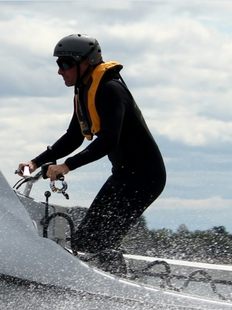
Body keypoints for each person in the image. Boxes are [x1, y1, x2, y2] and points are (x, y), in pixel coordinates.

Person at [18, 33, 166, 255]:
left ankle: (113, 287)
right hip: (123, 176)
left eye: (65, 63)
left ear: (86, 62)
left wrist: (66, 166)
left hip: (145, 178)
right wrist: (36, 161)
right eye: (58, 63)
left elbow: (108, 140)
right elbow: (73, 137)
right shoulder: (85, 90)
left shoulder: (110, 90)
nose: (60, 70)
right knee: (84, 242)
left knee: (99, 242)